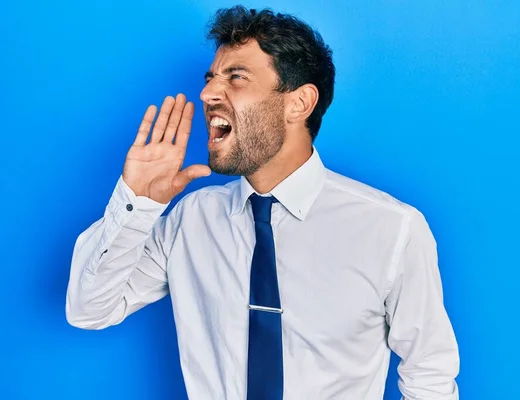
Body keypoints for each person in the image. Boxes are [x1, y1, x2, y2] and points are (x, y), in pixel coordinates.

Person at [65, 5, 459, 400]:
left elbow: (429, 376)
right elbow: (89, 310)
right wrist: (138, 203)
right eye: (211, 79)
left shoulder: (391, 228)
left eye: (236, 77)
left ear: (299, 103)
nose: (207, 93)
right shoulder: (191, 220)